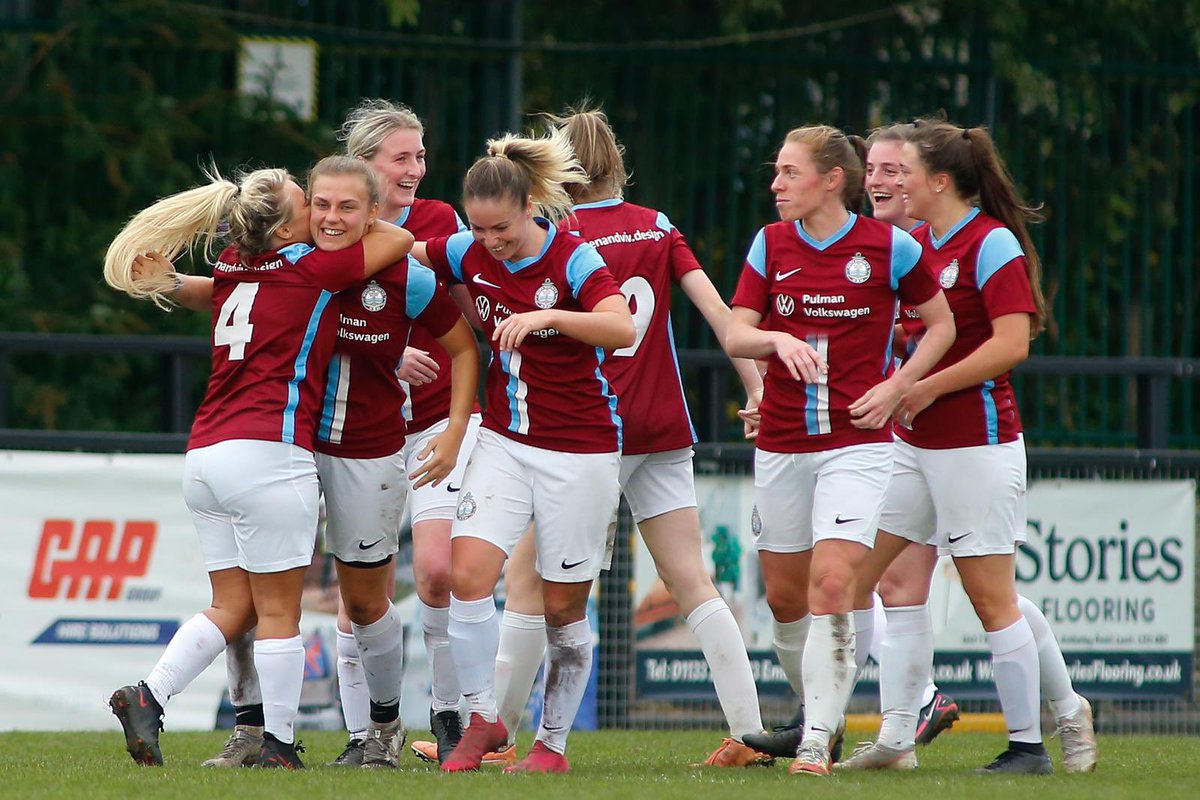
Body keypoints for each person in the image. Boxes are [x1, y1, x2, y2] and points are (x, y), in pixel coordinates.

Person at [411, 104, 772, 768]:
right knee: (692, 581)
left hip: (584, 429)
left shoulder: (562, 238)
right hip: (661, 423)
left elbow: (604, 321)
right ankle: (748, 733)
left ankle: (500, 735)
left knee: (529, 589)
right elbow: (721, 314)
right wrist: (755, 388)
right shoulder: (657, 225)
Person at [155, 156, 479, 770]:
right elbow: (218, 291)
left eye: (347, 207)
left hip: (365, 451)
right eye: (320, 204)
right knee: (254, 599)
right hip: (284, 448)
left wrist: (456, 429)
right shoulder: (291, 262)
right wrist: (166, 282)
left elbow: (464, 348)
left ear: (373, 212)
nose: (330, 217)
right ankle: (252, 731)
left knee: (364, 603)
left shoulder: (401, 275)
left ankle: (381, 729)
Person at [103, 162, 415, 769]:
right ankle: (277, 745)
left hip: (204, 455)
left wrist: (173, 280)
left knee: (232, 608)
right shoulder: (314, 269)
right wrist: (354, 219)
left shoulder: (232, 262)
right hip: (268, 451)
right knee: (277, 613)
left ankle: (150, 694)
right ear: (283, 231)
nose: (320, 218)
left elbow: (216, 288)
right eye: (308, 206)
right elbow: (398, 238)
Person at [833, 119, 1097, 775]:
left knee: (991, 600)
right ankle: (881, 735)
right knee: (855, 577)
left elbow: (1012, 344)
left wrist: (922, 385)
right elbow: (906, 336)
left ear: (940, 181)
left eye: (906, 172)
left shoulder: (990, 242)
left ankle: (1031, 745)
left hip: (975, 443)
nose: (894, 182)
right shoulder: (916, 243)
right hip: (911, 443)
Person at [723, 124, 955, 777]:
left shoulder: (891, 247)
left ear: (831, 180)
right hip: (782, 443)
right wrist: (776, 342)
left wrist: (900, 386)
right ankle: (821, 712)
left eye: (789, 172)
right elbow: (737, 333)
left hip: (858, 445)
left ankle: (815, 740)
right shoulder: (771, 243)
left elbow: (943, 325)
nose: (776, 185)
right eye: (776, 172)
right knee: (785, 599)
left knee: (833, 582)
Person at [411, 126, 635, 773]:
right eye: (479, 230)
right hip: (505, 442)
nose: (490, 242)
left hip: (581, 450)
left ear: (529, 208)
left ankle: (551, 746)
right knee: (465, 576)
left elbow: (621, 327)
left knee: (563, 606)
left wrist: (549, 317)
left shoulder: (572, 258)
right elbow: (404, 248)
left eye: (502, 229)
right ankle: (484, 718)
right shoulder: (466, 250)